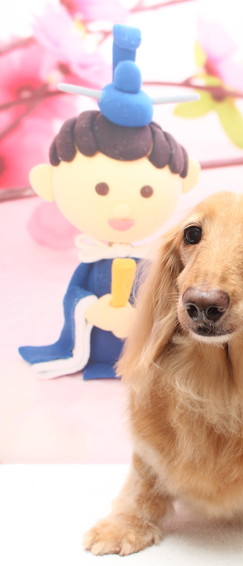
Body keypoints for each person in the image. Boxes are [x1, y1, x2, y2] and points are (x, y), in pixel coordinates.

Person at [19, 25, 200, 379]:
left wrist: (143, 314)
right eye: (101, 189)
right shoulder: (93, 260)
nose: (122, 209)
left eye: (146, 191)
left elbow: (169, 300)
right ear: (48, 183)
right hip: (95, 348)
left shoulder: (155, 263)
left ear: (186, 178)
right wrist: (92, 309)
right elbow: (74, 295)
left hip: (142, 363)